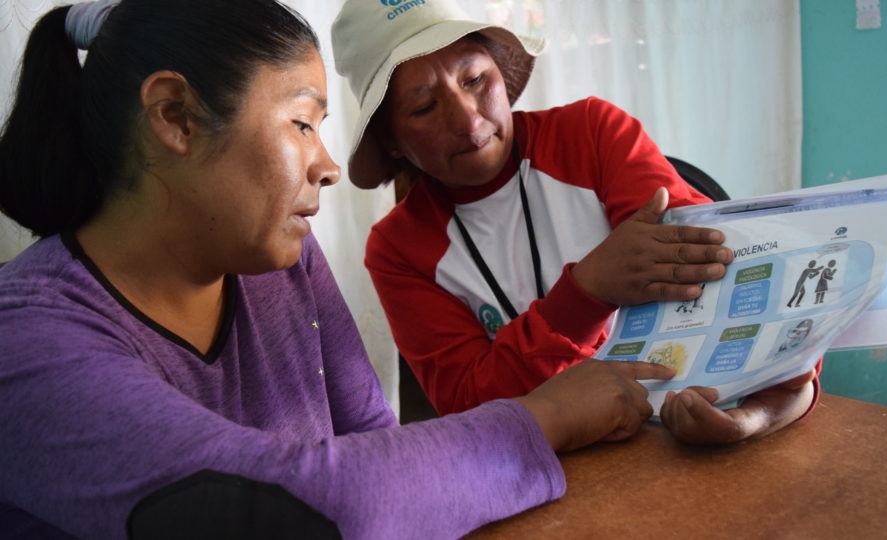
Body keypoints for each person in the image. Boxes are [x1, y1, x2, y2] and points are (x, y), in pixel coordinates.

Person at [0, 1, 678, 537]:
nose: (326, 167)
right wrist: (547, 417)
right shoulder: (25, 343)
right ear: (175, 116)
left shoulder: (276, 263)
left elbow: (374, 446)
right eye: (300, 124)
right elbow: (309, 508)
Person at [331, 0, 821, 443]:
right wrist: (586, 292)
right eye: (423, 107)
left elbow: (727, 265)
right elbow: (468, 404)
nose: (468, 120)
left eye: (475, 79)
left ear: (500, 72)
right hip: (547, 463)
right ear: (392, 141)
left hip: (678, 425)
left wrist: (752, 416)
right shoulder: (399, 250)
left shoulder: (591, 134)